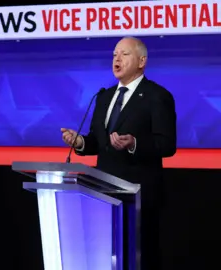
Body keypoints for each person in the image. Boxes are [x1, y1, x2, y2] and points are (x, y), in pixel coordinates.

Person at [61, 37, 176, 270]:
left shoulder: (157, 96)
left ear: (142, 61)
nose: (117, 59)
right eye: (114, 54)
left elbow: (167, 145)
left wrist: (134, 143)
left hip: (140, 197)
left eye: (124, 54)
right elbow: (98, 141)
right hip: (103, 195)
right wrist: (81, 141)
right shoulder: (103, 97)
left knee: (141, 260)